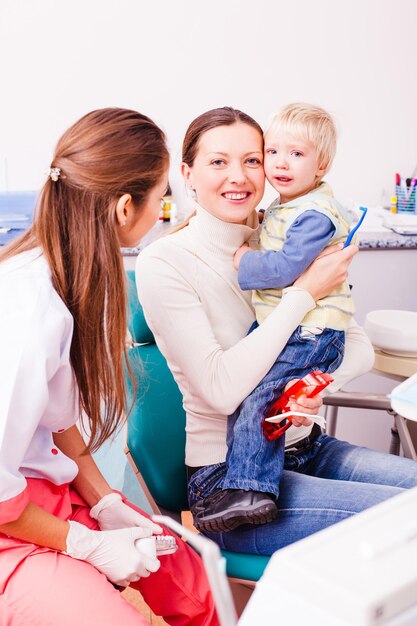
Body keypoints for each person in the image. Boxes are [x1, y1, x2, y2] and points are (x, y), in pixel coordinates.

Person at [136, 106, 417, 557]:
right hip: (228, 482)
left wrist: (310, 385)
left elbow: (357, 348)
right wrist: (303, 293)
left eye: (252, 160)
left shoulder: (284, 238)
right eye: (218, 162)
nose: (239, 176)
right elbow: (222, 391)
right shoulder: (165, 261)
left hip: (307, 447)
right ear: (187, 174)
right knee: (408, 525)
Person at [0, 108, 219, 626]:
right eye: (163, 195)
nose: (168, 207)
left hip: (40, 493)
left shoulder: (72, 282)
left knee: (194, 584)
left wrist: (102, 500)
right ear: (125, 208)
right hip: (8, 516)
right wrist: (84, 544)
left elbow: (56, 420)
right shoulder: (27, 310)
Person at [195, 102, 356, 533]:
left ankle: (251, 488)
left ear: (321, 166)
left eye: (297, 154)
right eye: (272, 152)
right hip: (301, 330)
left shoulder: (313, 215)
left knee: (264, 394)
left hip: (313, 331)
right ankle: (248, 485)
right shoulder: (284, 213)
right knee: (259, 394)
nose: (279, 163)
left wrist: (246, 260)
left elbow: (284, 268)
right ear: (187, 174)